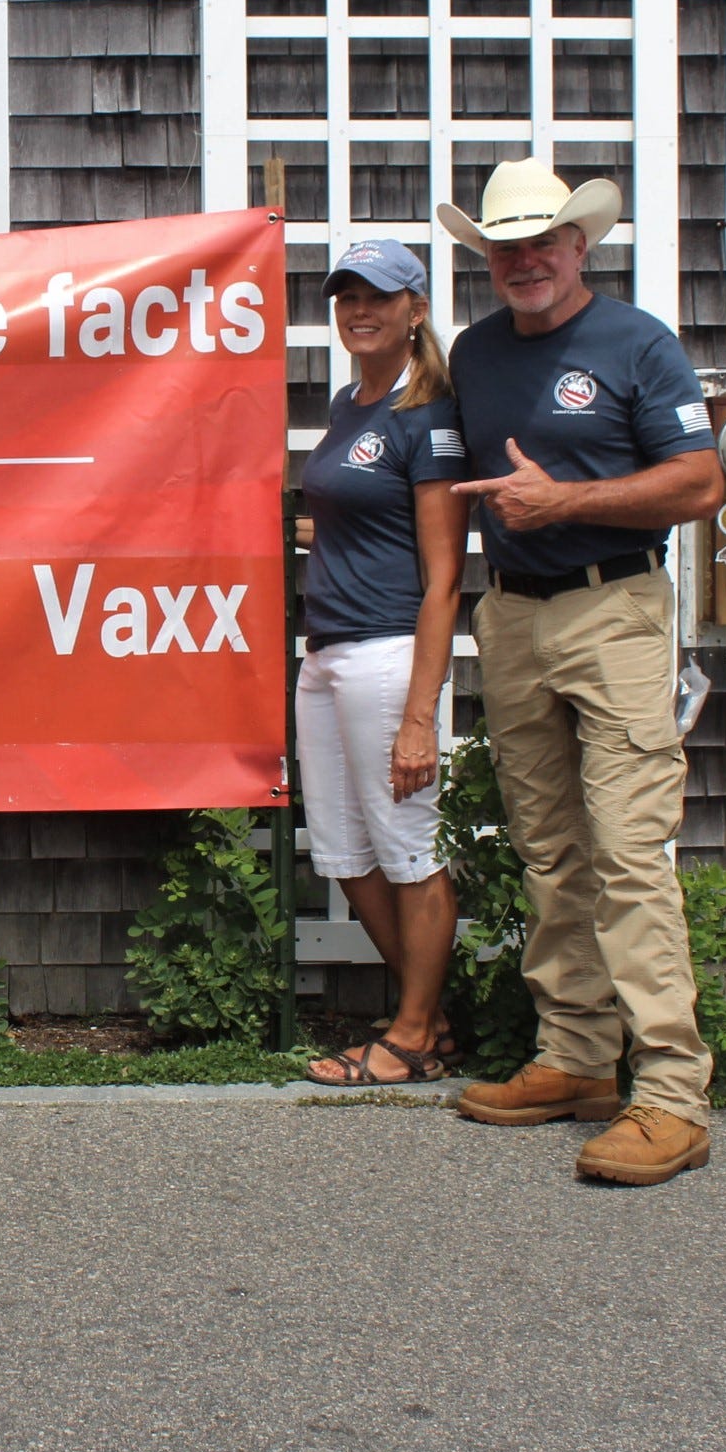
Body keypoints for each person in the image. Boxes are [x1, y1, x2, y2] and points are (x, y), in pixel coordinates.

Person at [436, 158, 726, 1187]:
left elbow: (701, 479)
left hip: (615, 610)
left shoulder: (637, 341)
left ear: (579, 246)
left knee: (629, 850)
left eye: (540, 243)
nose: (523, 261)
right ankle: (576, 1058)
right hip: (512, 615)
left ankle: (673, 1096)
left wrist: (566, 504)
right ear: (488, 259)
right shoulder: (473, 353)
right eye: (504, 247)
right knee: (550, 849)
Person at [294, 242, 470, 1088]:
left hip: (389, 654)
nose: (359, 311)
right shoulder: (347, 403)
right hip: (325, 653)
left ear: (415, 310)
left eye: (378, 297)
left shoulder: (425, 415)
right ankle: (428, 1018)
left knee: (407, 847)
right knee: (343, 852)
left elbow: (443, 577)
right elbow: (352, 518)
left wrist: (418, 715)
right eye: (347, 297)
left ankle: (408, 1036)